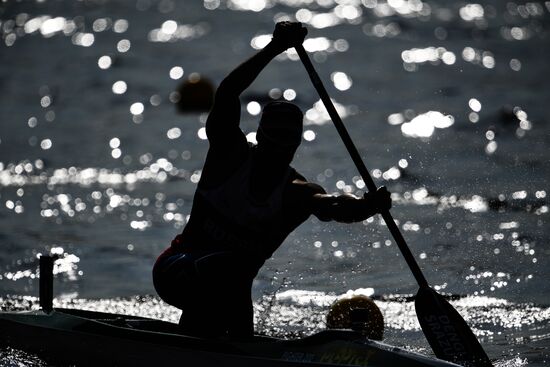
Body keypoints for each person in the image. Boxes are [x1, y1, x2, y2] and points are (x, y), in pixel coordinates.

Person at [152, 22, 391, 338]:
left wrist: (366, 207)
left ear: (294, 148)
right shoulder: (229, 156)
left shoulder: (296, 194)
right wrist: (274, 47)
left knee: (232, 276)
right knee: (232, 268)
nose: (276, 152)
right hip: (176, 271)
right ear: (258, 138)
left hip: (224, 294)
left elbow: (332, 205)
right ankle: (230, 345)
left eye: (285, 146)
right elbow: (227, 92)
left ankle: (225, 344)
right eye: (271, 144)